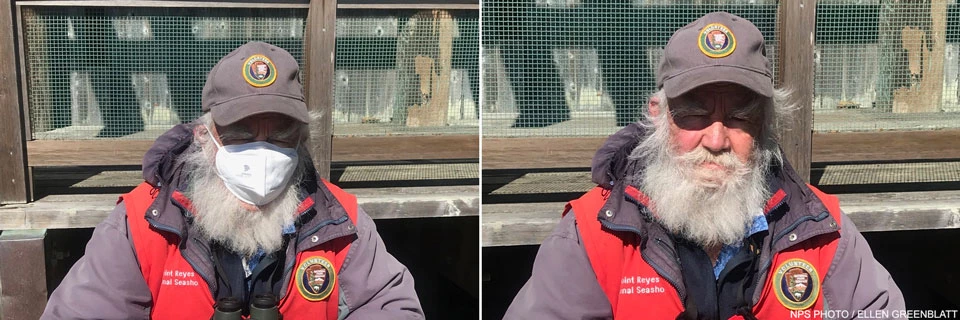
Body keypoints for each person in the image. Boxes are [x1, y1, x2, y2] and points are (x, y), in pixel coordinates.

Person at [503, 12, 905, 319]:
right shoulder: (593, 235)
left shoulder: (822, 232)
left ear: (765, 126)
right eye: (694, 115)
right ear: (659, 117)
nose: (716, 140)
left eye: (739, 117)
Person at [41, 41, 424, 319]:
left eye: (281, 133)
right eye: (240, 132)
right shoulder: (140, 224)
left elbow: (391, 306)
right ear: (206, 139)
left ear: (303, 141)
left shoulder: (343, 220)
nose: (262, 151)